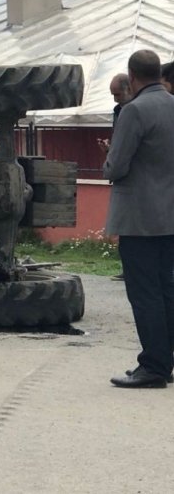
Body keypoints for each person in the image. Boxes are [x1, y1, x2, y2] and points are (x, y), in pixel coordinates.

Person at [105, 49, 174, 389]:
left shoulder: (134, 111)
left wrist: (108, 165)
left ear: (132, 77)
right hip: (170, 215)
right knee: (167, 290)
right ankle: (165, 360)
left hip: (140, 217)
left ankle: (153, 366)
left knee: (145, 293)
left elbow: (117, 165)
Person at [98, 73, 133, 281]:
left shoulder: (137, 110)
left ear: (129, 88)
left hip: (137, 179)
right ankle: (127, 268)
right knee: (124, 225)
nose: (115, 99)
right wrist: (110, 150)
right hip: (121, 174)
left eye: (117, 94)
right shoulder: (118, 111)